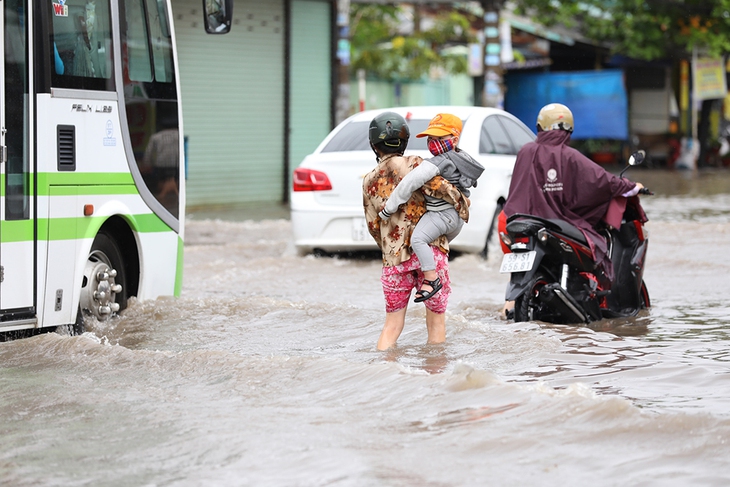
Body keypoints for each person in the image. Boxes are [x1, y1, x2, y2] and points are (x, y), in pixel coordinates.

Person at [500, 103, 644, 318]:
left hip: (516, 222)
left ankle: (510, 306)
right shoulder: (570, 155)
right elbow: (602, 181)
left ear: (540, 127)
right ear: (569, 129)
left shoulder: (525, 150)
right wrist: (632, 187)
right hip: (556, 222)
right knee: (596, 242)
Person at [362, 111, 467, 350]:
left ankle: (383, 375)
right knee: (436, 323)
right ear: (405, 140)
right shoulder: (416, 164)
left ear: (373, 145)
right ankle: (433, 380)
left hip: (394, 259)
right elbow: (444, 190)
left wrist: (389, 249)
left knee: (392, 325)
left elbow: (373, 225)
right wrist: (462, 203)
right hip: (430, 253)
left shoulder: (368, 180)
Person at [378, 113, 483, 302]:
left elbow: (409, 183)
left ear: (454, 139)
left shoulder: (438, 162)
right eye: (431, 138)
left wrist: (389, 208)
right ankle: (433, 273)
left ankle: (431, 279)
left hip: (441, 215)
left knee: (418, 240)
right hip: (456, 219)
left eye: (439, 138)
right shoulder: (461, 157)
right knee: (435, 246)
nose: (433, 143)